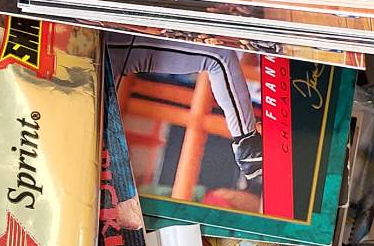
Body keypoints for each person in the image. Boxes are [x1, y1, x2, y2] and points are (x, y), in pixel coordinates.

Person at [106, 34, 262, 182]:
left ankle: (248, 147)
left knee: (218, 56)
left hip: (105, 46)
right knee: (218, 57)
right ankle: (248, 148)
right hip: (104, 50)